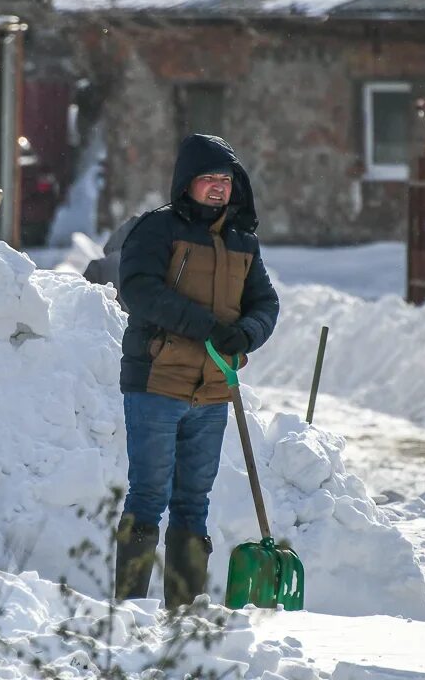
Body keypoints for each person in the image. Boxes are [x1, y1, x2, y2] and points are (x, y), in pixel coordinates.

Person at [115, 133, 279, 608]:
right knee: (148, 495)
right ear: (186, 182)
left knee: (192, 503)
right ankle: (129, 608)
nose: (217, 188)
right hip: (156, 382)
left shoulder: (242, 240)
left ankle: (181, 612)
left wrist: (245, 334)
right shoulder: (157, 229)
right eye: (208, 179)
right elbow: (139, 290)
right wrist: (209, 327)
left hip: (212, 391)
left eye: (225, 180)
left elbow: (265, 302)